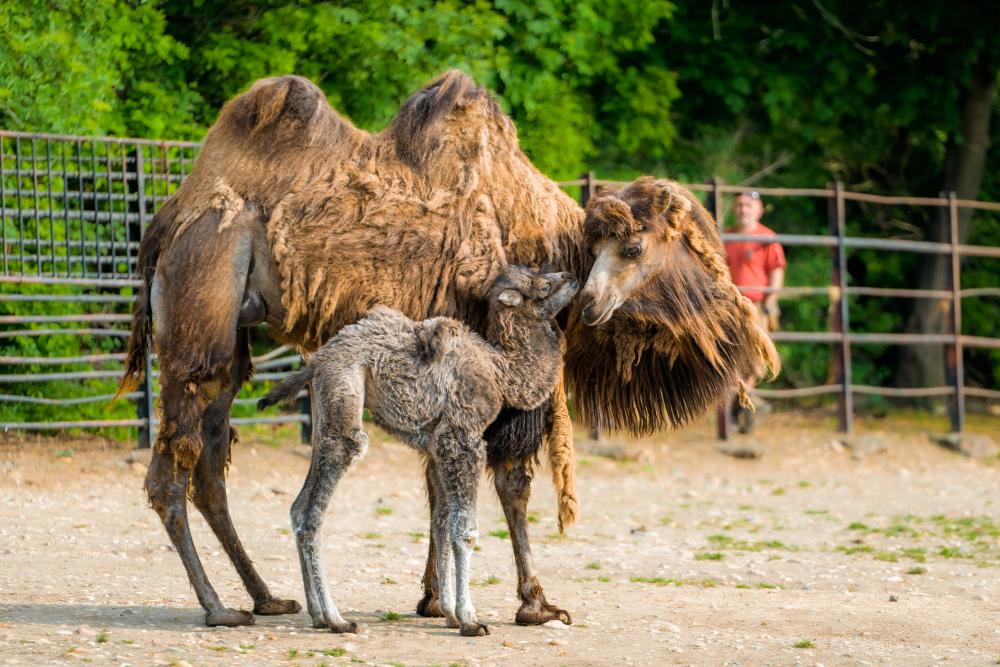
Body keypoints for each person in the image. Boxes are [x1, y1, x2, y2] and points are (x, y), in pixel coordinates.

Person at [724, 191, 786, 432]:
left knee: (755, 359)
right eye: (739, 205)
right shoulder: (726, 236)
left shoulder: (766, 237)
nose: (743, 209)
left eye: (748, 205)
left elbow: (776, 271)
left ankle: (742, 403)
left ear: (758, 210)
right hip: (728, 306)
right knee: (730, 356)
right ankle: (739, 406)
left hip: (755, 306)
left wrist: (771, 300)